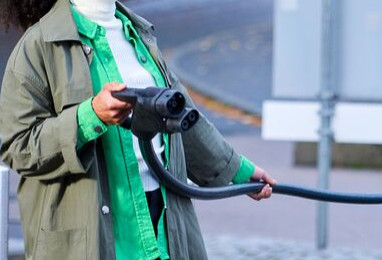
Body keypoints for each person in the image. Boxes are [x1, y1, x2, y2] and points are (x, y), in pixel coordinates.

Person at [0, 0, 277, 259]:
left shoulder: (139, 35)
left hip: (164, 222)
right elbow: (17, 146)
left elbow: (185, 119)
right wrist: (90, 116)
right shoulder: (37, 47)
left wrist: (238, 170)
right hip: (92, 234)